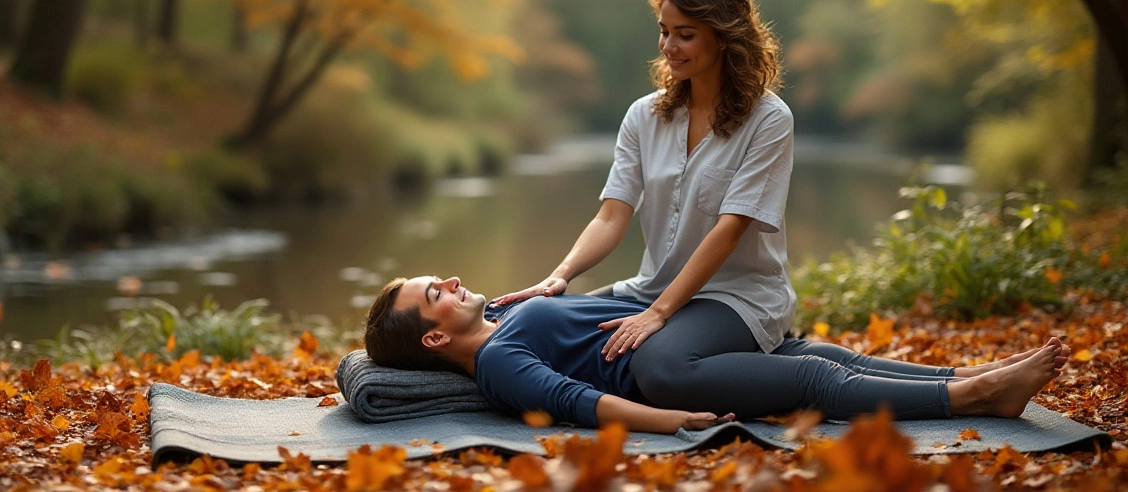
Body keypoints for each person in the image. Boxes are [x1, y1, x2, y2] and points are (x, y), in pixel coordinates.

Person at [492, 0, 795, 366]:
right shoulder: (644, 115)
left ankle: (810, 373)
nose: (668, 46)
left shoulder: (769, 119)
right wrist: (560, 276)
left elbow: (730, 230)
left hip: (737, 299)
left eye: (685, 35)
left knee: (656, 362)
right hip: (649, 289)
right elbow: (611, 217)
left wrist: (658, 314)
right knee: (519, 321)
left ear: (724, 36)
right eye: (664, 31)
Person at [365, 275, 1070, 434]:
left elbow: (604, 304)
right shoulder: (496, 363)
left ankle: (969, 375)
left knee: (818, 349)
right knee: (818, 379)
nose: (453, 281)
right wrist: (674, 424)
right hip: (674, 374)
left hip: (681, 331)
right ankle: (974, 398)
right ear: (434, 337)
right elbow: (574, 402)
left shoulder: (505, 315)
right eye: (437, 292)